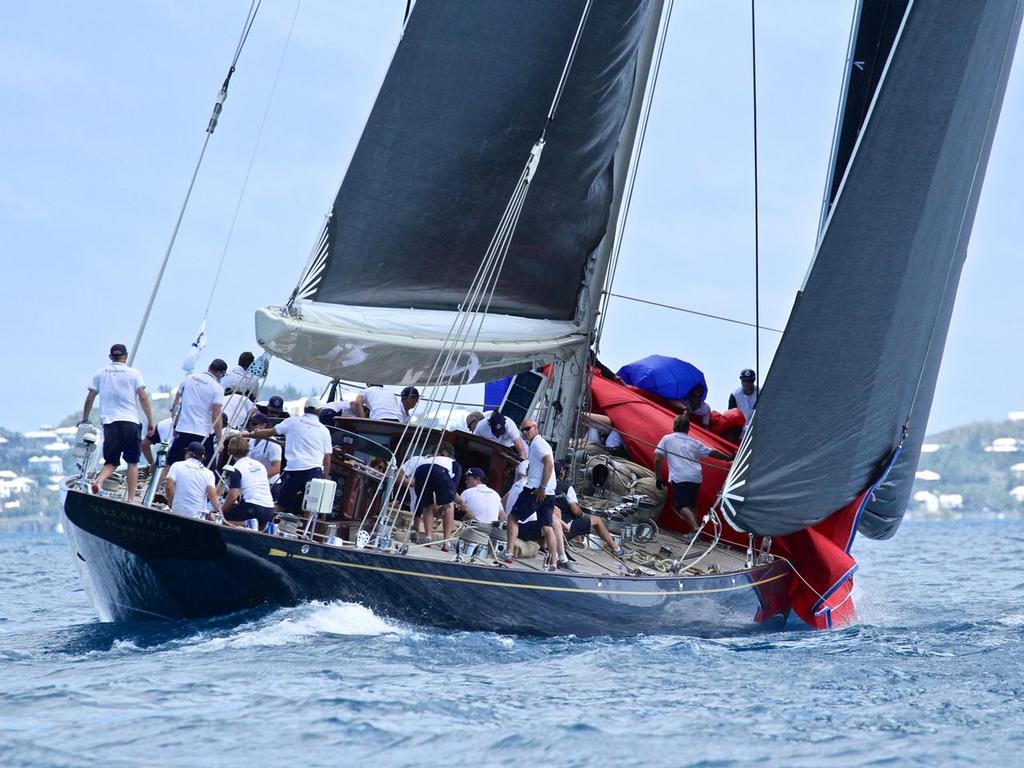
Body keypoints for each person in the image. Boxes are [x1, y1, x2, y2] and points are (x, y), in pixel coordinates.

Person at [81, 343, 154, 501]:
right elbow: (142, 397)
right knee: (132, 462)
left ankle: (99, 483)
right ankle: (130, 499)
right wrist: (150, 421)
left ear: (110, 357)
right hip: (130, 422)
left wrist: (84, 419)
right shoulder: (134, 373)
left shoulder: (100, 373)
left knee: (111, 462)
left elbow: (89, 398)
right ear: (125, 357)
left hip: (110, 423)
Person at [245, 396, 332, 514]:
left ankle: (267, 527)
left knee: (281, 505)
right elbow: (327, 460)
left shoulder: (292, 422)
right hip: (314, 472)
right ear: (319, 411)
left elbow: (269, 432)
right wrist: (324, 478)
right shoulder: (324, 431)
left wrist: (248, 435)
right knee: (309, 508)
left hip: (294, 470)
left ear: (305, 409)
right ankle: (304, 531)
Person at [653, 414, 731, 531]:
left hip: (680, 476)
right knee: (692, 504)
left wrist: (658, 476)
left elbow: (658, 458)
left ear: (674, 426)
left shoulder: (667, 439)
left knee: (681, 506)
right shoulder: (694, 442)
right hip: (695, 477)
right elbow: (712, 452)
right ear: (688, 428)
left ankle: (695, 529)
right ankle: (695, 531)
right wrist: (728, 457)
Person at [504, 418, 558, 570]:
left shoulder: (539, 444)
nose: (525, 432)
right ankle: (553, 561)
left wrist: (542, 486)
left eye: (528, 429)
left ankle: (508, 553)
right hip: (549, 493)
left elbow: (549, 463)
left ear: (536, 428)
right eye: (523, 430)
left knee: (512, 517)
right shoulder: (536, 444)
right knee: (547, 526)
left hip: (535, 490)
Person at [397, 442, 462, 550]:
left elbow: (420, 501)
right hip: (440, 471)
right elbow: (453, 490)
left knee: (428, 506)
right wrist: (444, 505)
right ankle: (446, 542)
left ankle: (428, 538)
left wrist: (416, 519)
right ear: (447, 454)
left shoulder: (424, 460)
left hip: (421, 470)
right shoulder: (454, 463)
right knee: (449, 507)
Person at [552, 460, 622, 559]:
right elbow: (575, 510)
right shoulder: (567, 488)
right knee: (597, 520)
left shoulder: (545, 486)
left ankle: (576, 540)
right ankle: (617, 549)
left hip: (548, 525)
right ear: (562, 473)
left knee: (579, 522)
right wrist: (582, 515)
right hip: (563, 527)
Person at [166, 359, 226, 472]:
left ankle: (156, 488)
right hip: (202, 433)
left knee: (171, 465)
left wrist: (175, 426)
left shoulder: (188, 379)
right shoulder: (217, 388)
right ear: (219, 373)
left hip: (183, 429)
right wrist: (220, 440)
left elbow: (176, 405)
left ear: (209, 366)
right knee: (207, 470)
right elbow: (216, 414)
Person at [221, 436, 275, 529]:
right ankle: (268, 528)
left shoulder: (236, 469)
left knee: (218, 518)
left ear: (230, 451)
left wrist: (221, 511)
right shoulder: (259, 465)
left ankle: (246, 524)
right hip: (269, 509)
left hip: (252, 508)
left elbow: (233, 496)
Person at [165, 441, 222, 519]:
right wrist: (221, 515)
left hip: (177, 511)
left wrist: (172, 503)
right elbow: (212, 496)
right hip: (197, 516)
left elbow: (169, 486)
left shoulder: (176, 465)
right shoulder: (209, 473)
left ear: (189, 454)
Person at [246, 413, 282, 483]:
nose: (251, 426)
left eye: (254, 423)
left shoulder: (273, 443)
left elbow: (276, 469)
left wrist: (257, 479)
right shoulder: (252, 440)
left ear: (263, 426)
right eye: (250, 423)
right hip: (253, 483)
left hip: (269, 483)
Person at [353, 385, 419, 422]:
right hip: (397, 422)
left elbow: (356, 403)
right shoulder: (391, 394)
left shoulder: (367, 390)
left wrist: (364, 422)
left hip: (380, 420)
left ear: (368, 384)